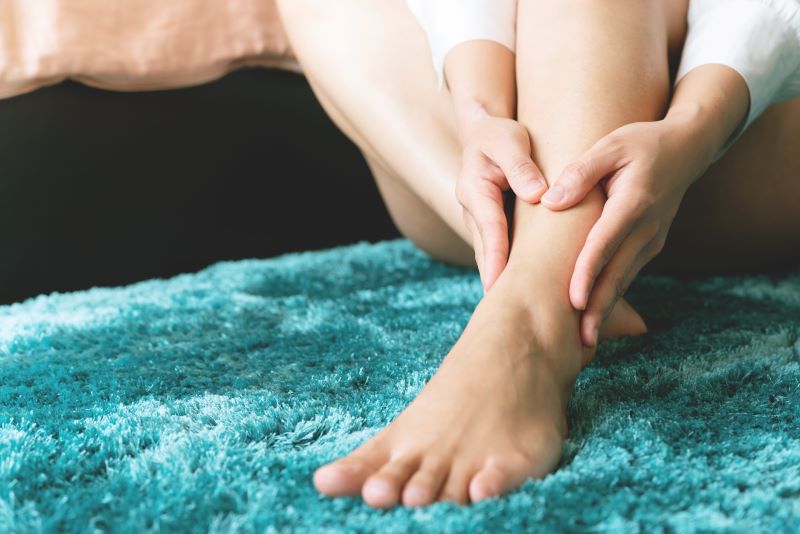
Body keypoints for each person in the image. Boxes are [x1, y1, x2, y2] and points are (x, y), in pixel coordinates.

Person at [276, 0, 800, 508]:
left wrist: (694, 128)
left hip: (730, 137)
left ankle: (531, 321)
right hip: (480, 192)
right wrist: (480, 115)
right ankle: (539, 271)